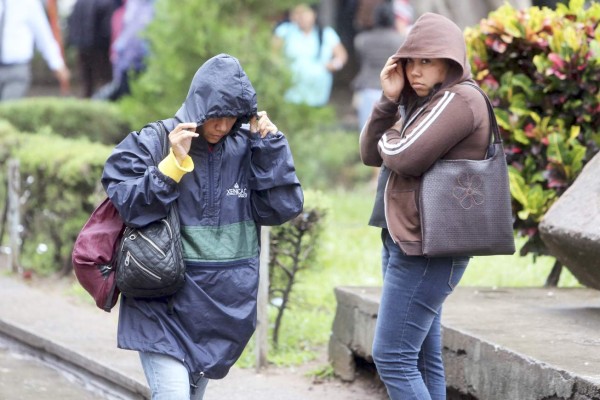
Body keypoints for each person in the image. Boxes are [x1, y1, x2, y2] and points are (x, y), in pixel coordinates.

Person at [101, 53, 304, 399]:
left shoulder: (247, 148)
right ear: (199, 107)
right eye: (216, 116)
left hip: (220, 312)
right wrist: (171, 166)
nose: (223, 126)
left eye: (231, 117)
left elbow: (281, 209)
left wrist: (270, 150)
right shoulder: (157, 139)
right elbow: (124, 198)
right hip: (161, 306)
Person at [359, 13, 490, 399]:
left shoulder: (461, 100)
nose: (415, 71)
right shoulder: (423, 102)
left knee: (393, 356)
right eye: (411, 60)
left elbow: (402, 156)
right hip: (404, 240)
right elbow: (371, 152)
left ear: (450, 62)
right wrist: (388, 101)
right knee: (420, 357)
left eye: (427, 61)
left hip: (428, 248)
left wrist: (395, 134)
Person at [272, 3, 348, 107]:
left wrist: (333, 65)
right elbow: (273, 53)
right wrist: (281, 68)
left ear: (314, 14)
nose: (302, 17)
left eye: (305, 13)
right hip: (290, 92)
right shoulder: (285, 30)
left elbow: (342, 56)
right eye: (298, 13)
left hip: (318, 93)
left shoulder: (326, 33)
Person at [352, 2, 408, 132]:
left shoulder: (361, 40)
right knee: (393, 133)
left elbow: (362, 62)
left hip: (368, 89)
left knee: (366, 133)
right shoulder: (400, 40)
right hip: (393, 90)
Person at [0, 0, 71, 100]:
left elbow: (43, 35)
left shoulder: (28, 3)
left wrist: (57, 64)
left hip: (17, 69)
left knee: (6, 109)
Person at [67, 0, 117, 98]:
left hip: (82, 47)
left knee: (87, 82)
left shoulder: (79, 2)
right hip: (100, 48)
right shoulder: (106, 3)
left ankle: (87, 103)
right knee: (104, 81)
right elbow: (107, 28)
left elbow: (71, 22)